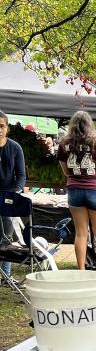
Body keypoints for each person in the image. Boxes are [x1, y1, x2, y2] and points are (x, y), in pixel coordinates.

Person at [57, 111, 96, 276]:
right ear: (89, 125)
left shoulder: (64, 144)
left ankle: (81, 270)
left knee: (81, 233)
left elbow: (65, 171)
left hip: (75, 190)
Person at [0, 111, 26, 283]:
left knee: (7, 239)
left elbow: (21, 175)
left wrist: (15, 192)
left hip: (8, 199)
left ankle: (6, 276)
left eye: (1, 126)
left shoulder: (15, 147)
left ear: (7, 128)